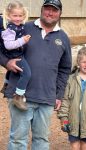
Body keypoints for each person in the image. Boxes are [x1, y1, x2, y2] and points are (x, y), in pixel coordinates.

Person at [0, 0, 72, 149]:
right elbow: (1, 48)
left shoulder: (63, 37)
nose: (50, 13)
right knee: (18, 140)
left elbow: (65, 69)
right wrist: (7, 63)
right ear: (41, 9)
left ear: (60, 13)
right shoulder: (23, 27)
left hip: (46, 96)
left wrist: (58, 95)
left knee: (41, 140)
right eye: (47, 9)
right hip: (21, 95)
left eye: (54, 10)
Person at [0, 1, 31, 111]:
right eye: (15, 16)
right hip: (14, 55)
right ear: (8, 15)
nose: (18, 18)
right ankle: (18, 96)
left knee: (15, 71)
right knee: (26, 73)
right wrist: (22, 40)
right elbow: (8, 45)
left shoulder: (18, 25)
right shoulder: (9, 29)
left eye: (20, 16)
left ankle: (6, 84)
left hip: (17, 53)